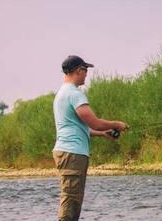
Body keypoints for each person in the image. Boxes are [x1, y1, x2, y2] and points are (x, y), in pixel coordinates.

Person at [52, 55, 129, 221]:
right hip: (72, 153)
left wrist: (102, 133)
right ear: (79, 70)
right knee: (71, 198)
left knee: (73, 197)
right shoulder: (74, 94)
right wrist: (116, 124)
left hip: (67, 151)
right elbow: (94, 122)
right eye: (85, 70)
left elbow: (77, 127)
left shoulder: (62, 93)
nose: (87, 74)